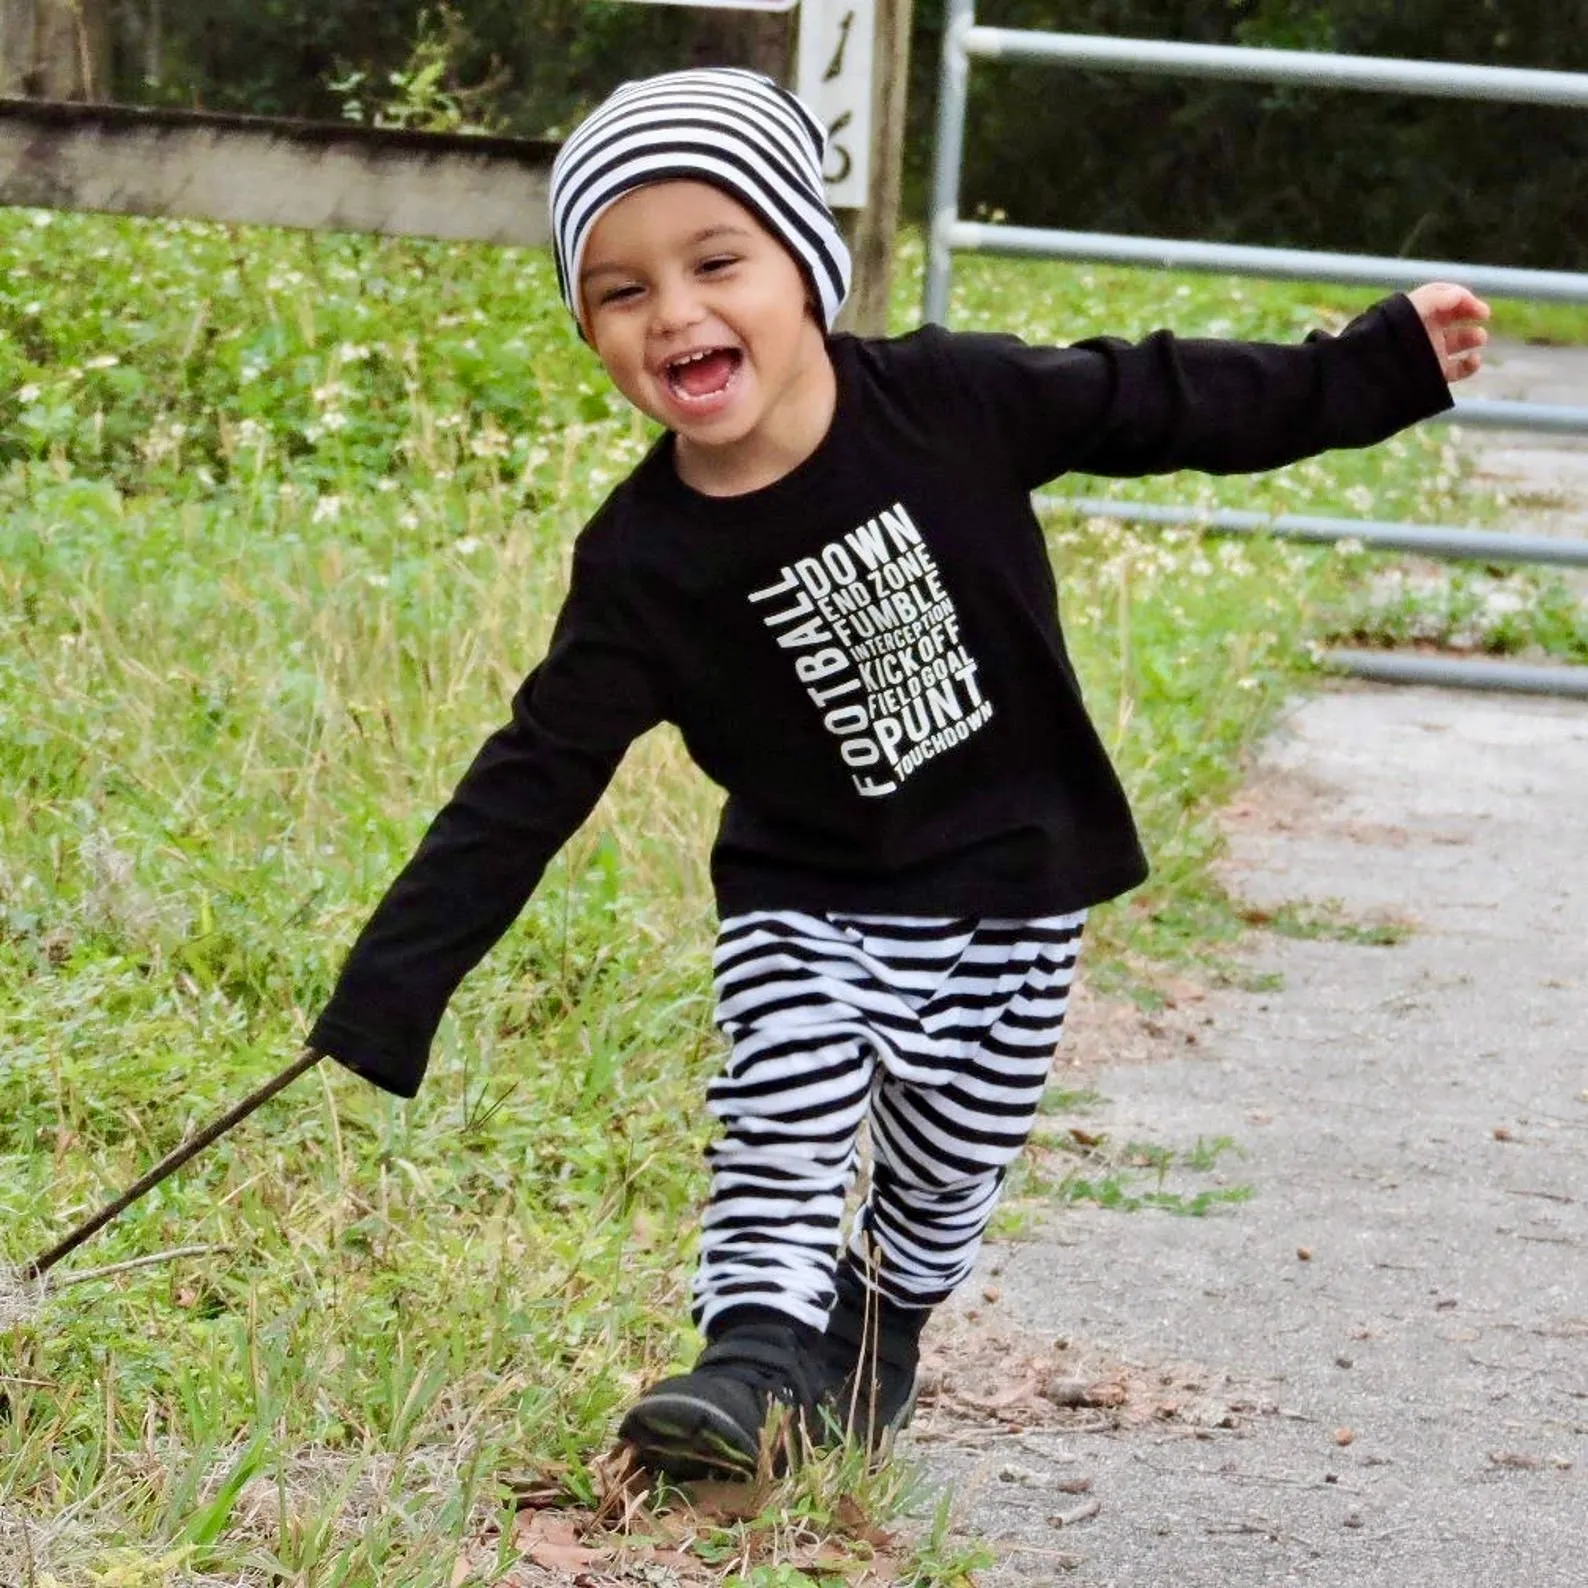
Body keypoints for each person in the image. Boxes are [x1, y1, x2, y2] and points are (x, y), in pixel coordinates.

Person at [307, 67, 1489, 1479]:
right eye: (619, 292)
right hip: (809, 900)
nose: (674, 312)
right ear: (588, 329)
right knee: (786, 1110)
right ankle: (746, 1366)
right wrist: (392, 986)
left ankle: (878, 1329)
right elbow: (530, 778)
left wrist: (1369, 370)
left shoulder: (952, 401)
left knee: (944, 1178)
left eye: (715, 262)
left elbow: (1161, 400)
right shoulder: (642, 566)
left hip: (1016, 885)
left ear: (807, 270)